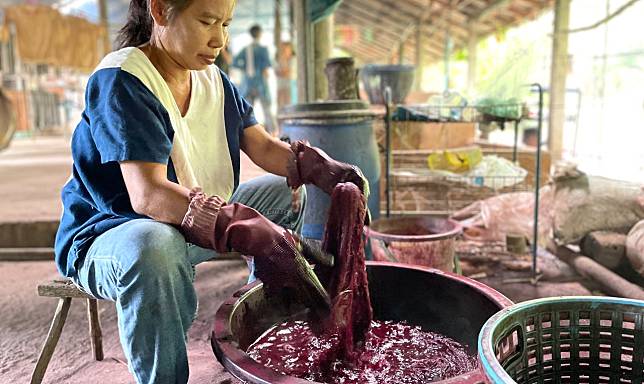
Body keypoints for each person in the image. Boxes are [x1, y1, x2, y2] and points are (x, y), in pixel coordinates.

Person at [53, 1, 366, 383]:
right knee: (155, 246)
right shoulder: (123, 79)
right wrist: (239, 225)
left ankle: (265, 310)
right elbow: (148, 196)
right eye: (206, 21)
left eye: (226, 23)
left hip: (186, 228)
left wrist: (320, 169)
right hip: (115, 235)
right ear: (162, 11)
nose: (219, 38)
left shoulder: (211, 79)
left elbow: (264, 147)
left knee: (282, 193)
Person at [232, 24, 277, 134]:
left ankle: (248, 133)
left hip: (247, 83)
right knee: (266, 109)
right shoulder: (263, 49)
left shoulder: (246, 49)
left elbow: (235, 62)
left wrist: (244, 68)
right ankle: (273, 133)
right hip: (260, 83)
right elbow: (266, 69)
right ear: (260, 34)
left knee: (247, 111)